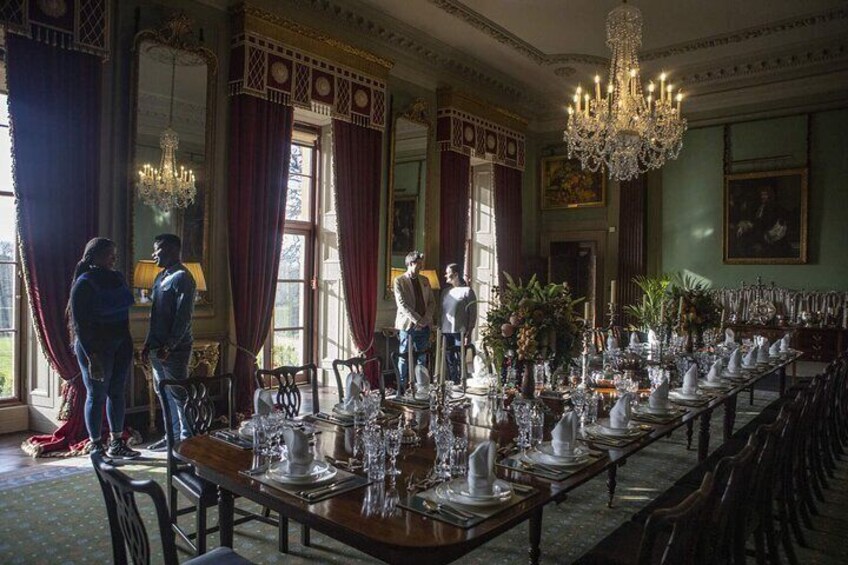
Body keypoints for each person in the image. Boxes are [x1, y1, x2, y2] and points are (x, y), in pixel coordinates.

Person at [68, 237, 139, 459]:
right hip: (95, 348)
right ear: (95, 256)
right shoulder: (84, 282)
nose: (114, 257)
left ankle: (116, 442)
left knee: (117, 393)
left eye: (114, 252)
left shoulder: (117, 278)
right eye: (110, 253)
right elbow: (80, 325)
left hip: (120, 343)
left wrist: (127, 343)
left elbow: (124, 315)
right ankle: (96, 444)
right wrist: (92, 357)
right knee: (97, 395)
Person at [143, 234, 197, 451]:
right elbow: (155, 317)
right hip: (157, 348)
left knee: (178, 394)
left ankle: (187, 439)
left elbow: (183, 317)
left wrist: (170, 346)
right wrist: (148, 344)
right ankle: (172, 436)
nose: (153, 254)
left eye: (158, 250)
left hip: (175, 349)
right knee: (162, 393)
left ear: (173, 250)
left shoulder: (184, 278)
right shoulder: (160, 278)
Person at [393, 250, 435, 392]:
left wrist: (426, 319)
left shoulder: (425, 280)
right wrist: (418, 320)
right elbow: (402, 305)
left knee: (421, 357)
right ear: (410, 264)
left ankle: (421, 387)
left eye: (421, 266)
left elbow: (431, 303)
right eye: (418, 265)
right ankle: (402, 387)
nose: (420, 268)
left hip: (424, 326)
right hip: (407, 326)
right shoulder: (399, 281)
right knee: (404, 357)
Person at [441, 264, 477, 384]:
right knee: (450, 360)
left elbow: (472, 314)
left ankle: (464, 383)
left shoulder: (467, 291)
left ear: (456, 274)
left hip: (460, 331)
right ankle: (453, 382)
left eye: (448, 272)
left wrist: (469, 332)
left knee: (461, 359)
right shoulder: (446, 292)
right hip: (446, 331)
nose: (446, 275)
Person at [732, 185, 791, 258]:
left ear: (770, 195)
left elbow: (767, 224)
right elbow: (757, 221)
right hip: (760, 233)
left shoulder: (774, 207)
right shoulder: (761, 207)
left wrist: (752, 226)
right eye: (762, 194)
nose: (763, 197)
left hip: (770, 235)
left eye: (765, 194)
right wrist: (747, 225)